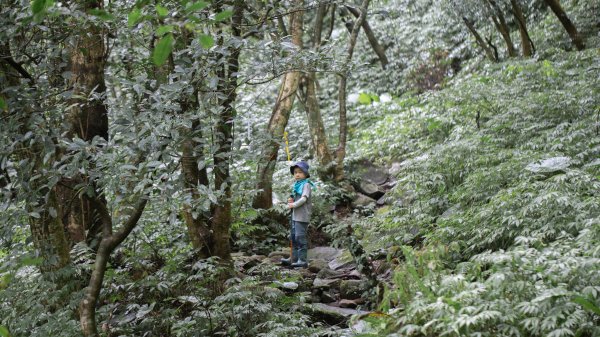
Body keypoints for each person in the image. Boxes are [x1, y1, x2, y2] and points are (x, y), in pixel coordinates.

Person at [280, 161, 315, 268]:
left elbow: (304, 199)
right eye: (295, 172)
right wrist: (291, 199)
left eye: (300, 172)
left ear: (305, 173)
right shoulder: (296, 185)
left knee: (300, 237)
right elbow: (294, 198)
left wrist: (293, 204)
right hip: (295, 216)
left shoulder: (306, 185)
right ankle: (293, 259)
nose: (297, 174)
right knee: (293, 237)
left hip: (302, 216)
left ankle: (302, 260)